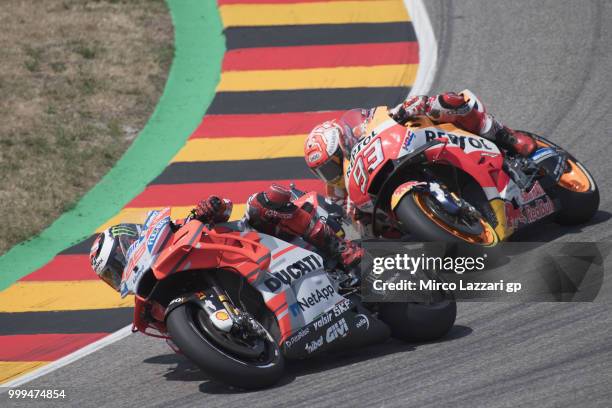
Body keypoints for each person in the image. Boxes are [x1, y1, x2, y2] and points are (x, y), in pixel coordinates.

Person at [90, 185, 363, 292]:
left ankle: (343, 251)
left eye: (114, 268)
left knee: (262, 203)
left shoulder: (175, 229)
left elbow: (226, 208)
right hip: (249, 283)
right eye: (110, 277)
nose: (116, 277)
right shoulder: (154, 299)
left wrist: (211, 207)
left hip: (254, 246)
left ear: (125, 246)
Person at [304, 89, 538, 211]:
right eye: (323, 171)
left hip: (408, 146)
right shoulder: (336, 191)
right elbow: (350, 221)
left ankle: (505, 136)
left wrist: (406, 110)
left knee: (443, 103)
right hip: (394, 200)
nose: (330, 173)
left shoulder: (360, 129)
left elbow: (383, 117)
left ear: (342, 143)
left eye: (331, 163)